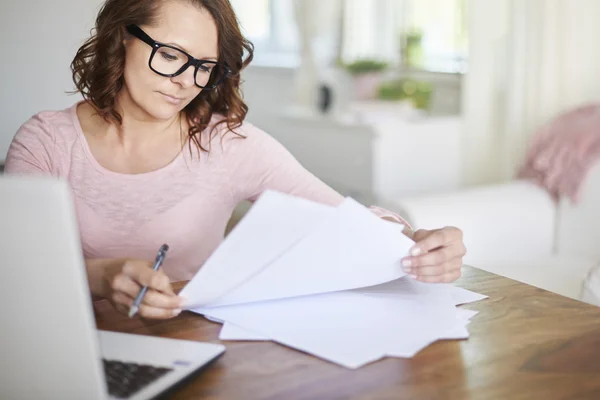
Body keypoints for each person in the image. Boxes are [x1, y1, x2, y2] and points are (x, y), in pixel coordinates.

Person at [4, 0, 466, 319]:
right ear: (121, 37)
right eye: (169, 55)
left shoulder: (227, 144)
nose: (186, 82)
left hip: (193, 346)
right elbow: (14, 269)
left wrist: (416, 243)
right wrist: (102, 276)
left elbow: (343, 218)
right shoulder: (46, 142)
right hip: (68, 349)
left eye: (204, 66)